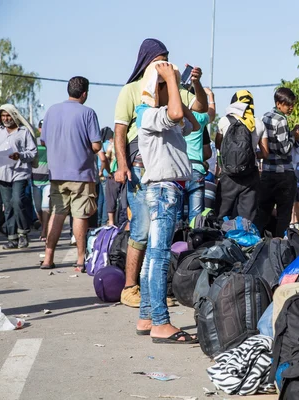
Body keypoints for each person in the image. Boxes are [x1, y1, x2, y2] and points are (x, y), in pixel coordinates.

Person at [113, 38, 208, 307]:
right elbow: (120, 131)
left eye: (167, 61)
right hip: (142, 161)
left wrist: (193, 84)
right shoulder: (135, 93)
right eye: (159, 62)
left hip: (165, 160)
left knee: (159, 239)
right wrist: (122, 166)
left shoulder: (170, 91)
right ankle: (132, 288)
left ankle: (151, 299)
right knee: (144, 232)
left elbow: (198, 112)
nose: (164, 66)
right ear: (147, 63)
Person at [134, 61, 199, 343]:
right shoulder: (148, 114)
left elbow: (194, 123)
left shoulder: (164, 116)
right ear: (154, 88)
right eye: (164, 85)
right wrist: (171, 78)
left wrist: (184, 84)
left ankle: (147, 316)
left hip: (166, 190)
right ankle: (160, 322)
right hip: (163, 191)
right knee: (160, 256)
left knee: (153, 255)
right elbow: (174, 112)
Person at [40, 76, 102, 270]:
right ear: (84, 93)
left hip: (57, 173)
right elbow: (96, 145)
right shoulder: (88, 113)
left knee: (57, 214)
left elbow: (43, 141)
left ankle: (48, 258)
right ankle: (81, 259)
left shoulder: (51, 111)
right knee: (80, 216)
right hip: (80, 173)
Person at [215, 90, 268, 222]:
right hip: (250, 175)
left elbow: (218, 146)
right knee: (247, 218)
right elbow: (265, 153)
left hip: (228, 174)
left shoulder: (224, 120)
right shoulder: (259, 123)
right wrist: (249, 155)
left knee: (222, 214)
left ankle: (221, 240)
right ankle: (245, 241)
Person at [0, 105, 38, 249]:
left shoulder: (24, 132)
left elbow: (33, 152)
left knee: (17, 201)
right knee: (8, 206)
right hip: (2, 173)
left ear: (14, 116)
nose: (5, 118)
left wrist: (20, 155)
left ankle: (23, 233)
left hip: (20, 172)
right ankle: (12, 238)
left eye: (8, 115)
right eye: (3, 116)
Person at [255, 87, 299, 237]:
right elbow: (284, 149)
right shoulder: (281, 120)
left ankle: (256, 242)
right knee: (283, 215)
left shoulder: (265, 117)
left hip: (267, 172)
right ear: (279, 103)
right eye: (288, 104)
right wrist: (294, 136)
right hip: (283, 174)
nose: (291, 108)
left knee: (263, 212)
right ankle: (280, 244)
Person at [182, 87, 215, 223]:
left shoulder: (177, 117)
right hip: (196, 169)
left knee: (176, 214)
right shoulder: (199, 118)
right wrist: (210, 96)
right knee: (195, 218)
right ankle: (192, 243)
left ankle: (176, 243)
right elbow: (212, 115)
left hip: (178, 169)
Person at [32, 119, 50, 241]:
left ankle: (44, 231)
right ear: (39, 129)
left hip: (48, 181)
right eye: (42, 127)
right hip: (34, 181)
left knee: (45, 206)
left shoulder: (53, 143)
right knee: (37, 207)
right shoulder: (33, 143)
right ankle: (44, 225)